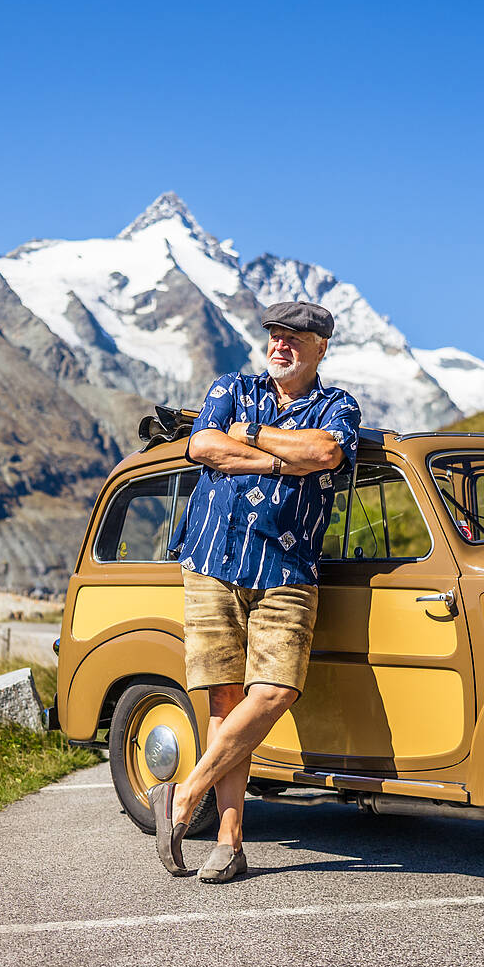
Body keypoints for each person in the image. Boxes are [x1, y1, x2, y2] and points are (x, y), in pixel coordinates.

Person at [149, 301, 361, 882]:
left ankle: (185, 795)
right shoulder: (231, 387)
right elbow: (203, 448)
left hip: (288, 566)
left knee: (273, 692)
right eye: (274, 335)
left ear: (321, 346)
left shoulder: (338, 406)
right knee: (222, 701)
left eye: (295, 337)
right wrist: (274, 463)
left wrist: (254, 438)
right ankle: (230, 842)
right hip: (213, 561)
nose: (280, 345)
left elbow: (325, 453)